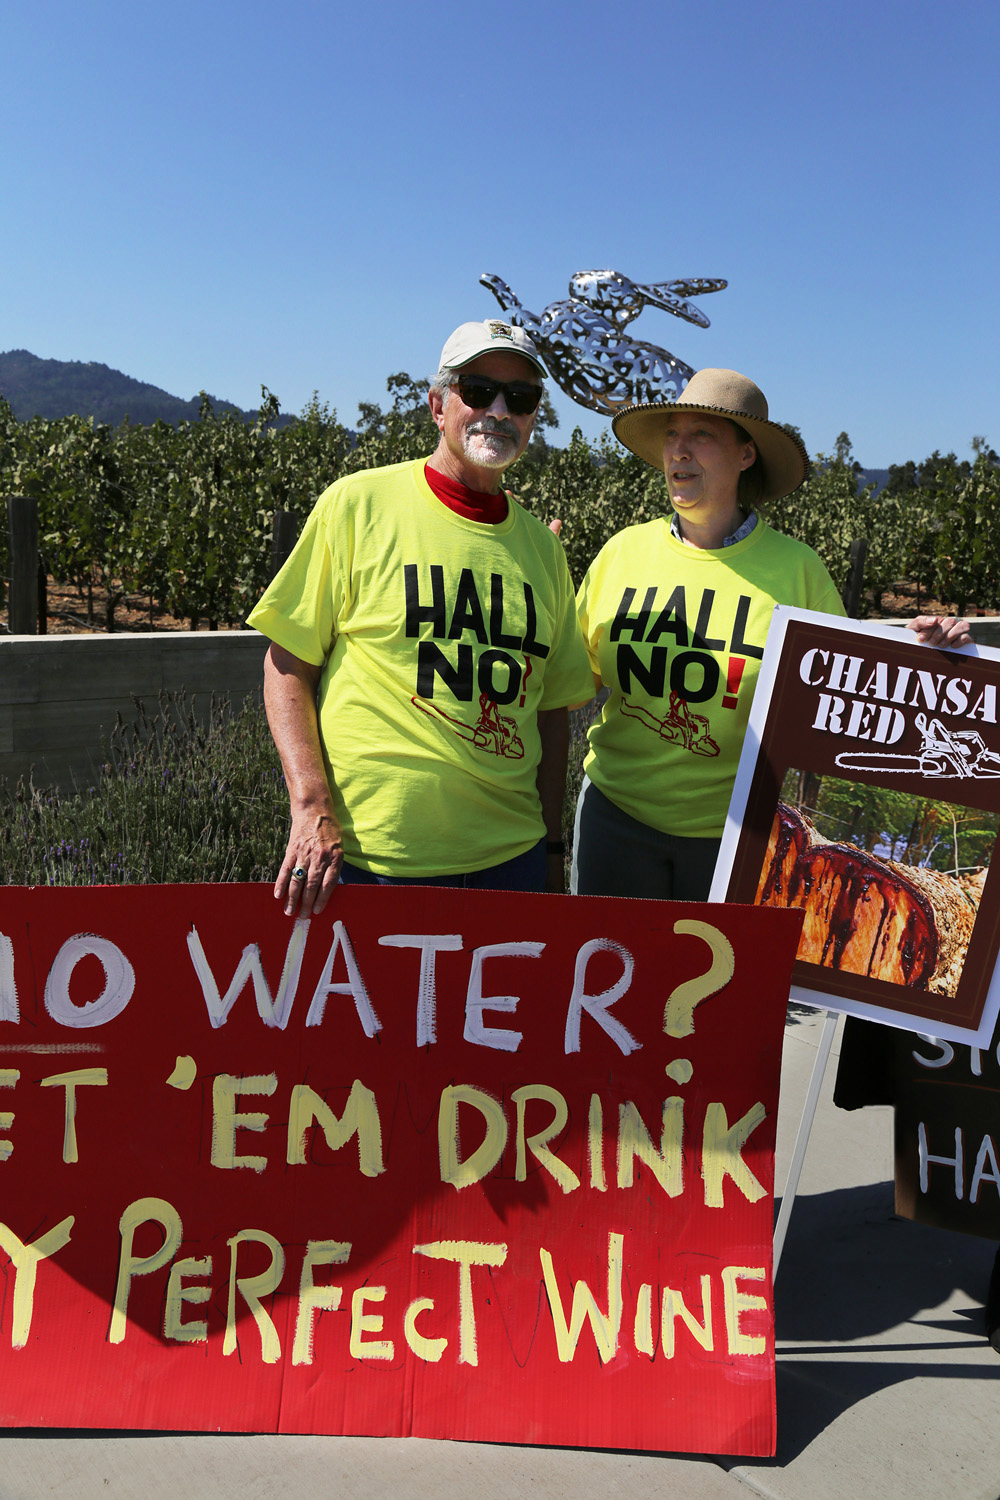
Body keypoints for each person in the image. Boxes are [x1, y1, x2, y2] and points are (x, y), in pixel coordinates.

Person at [572, 367, 969, 900]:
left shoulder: (798, 572)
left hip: (739, 840)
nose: (679, 450)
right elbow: (569, 682)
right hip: (613, 825)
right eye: (672, 434)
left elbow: (852, 701)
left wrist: (932, 653)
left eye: (702, 434)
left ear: (746, 454)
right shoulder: (621, 553)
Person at [248, 319, 593, 917]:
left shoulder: (544, 550)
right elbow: (285, 665)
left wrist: (553, 851)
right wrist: (309, 808)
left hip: (509, 867)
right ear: (438, 406)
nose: (499, 410)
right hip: (369, 863)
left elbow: (552, 715)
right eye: (479, 391)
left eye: (521, 397)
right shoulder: (357, 505)